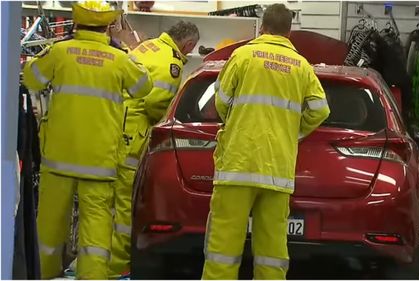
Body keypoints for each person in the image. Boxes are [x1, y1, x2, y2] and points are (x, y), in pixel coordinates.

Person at [22, 1, 153, 279]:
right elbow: (144, 87)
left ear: (76, 24)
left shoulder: (59, 52)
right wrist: (123, 47)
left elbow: (31, 78)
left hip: (59, 161)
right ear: (108, 27)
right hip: (100, 163)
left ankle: (41, 275)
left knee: (48, 230)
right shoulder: (119, 58)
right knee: (96, 234)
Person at [202, 3, 330, 280]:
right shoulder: (302, 66)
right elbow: (320, 109)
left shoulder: (244, 55)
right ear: (289, 31)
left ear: (262, 27)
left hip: (237, 165)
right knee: (272, 249)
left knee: (223, 245)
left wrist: (236, 122)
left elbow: (221, 101)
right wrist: (293, 132)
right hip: (277, 170)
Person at [108, 21, 200, 278]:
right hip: (133, 133)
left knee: (110, 200)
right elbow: (155, 107)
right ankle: (118, 266)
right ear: (189, 45)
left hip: (114, 127)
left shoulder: (147, 46)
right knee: (126, 203)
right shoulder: (172, 64)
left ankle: (104, 260)